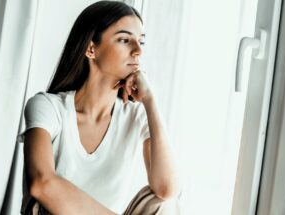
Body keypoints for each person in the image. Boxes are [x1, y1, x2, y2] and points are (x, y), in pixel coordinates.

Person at [17, 1, 181, 214]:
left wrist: (150, 100)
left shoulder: (135, 116)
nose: (138, 51)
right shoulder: (48, 107)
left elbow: (166, 189)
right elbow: (41, 184)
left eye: (141, 41)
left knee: (161, 203)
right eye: (124, 40)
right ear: (91, 48)